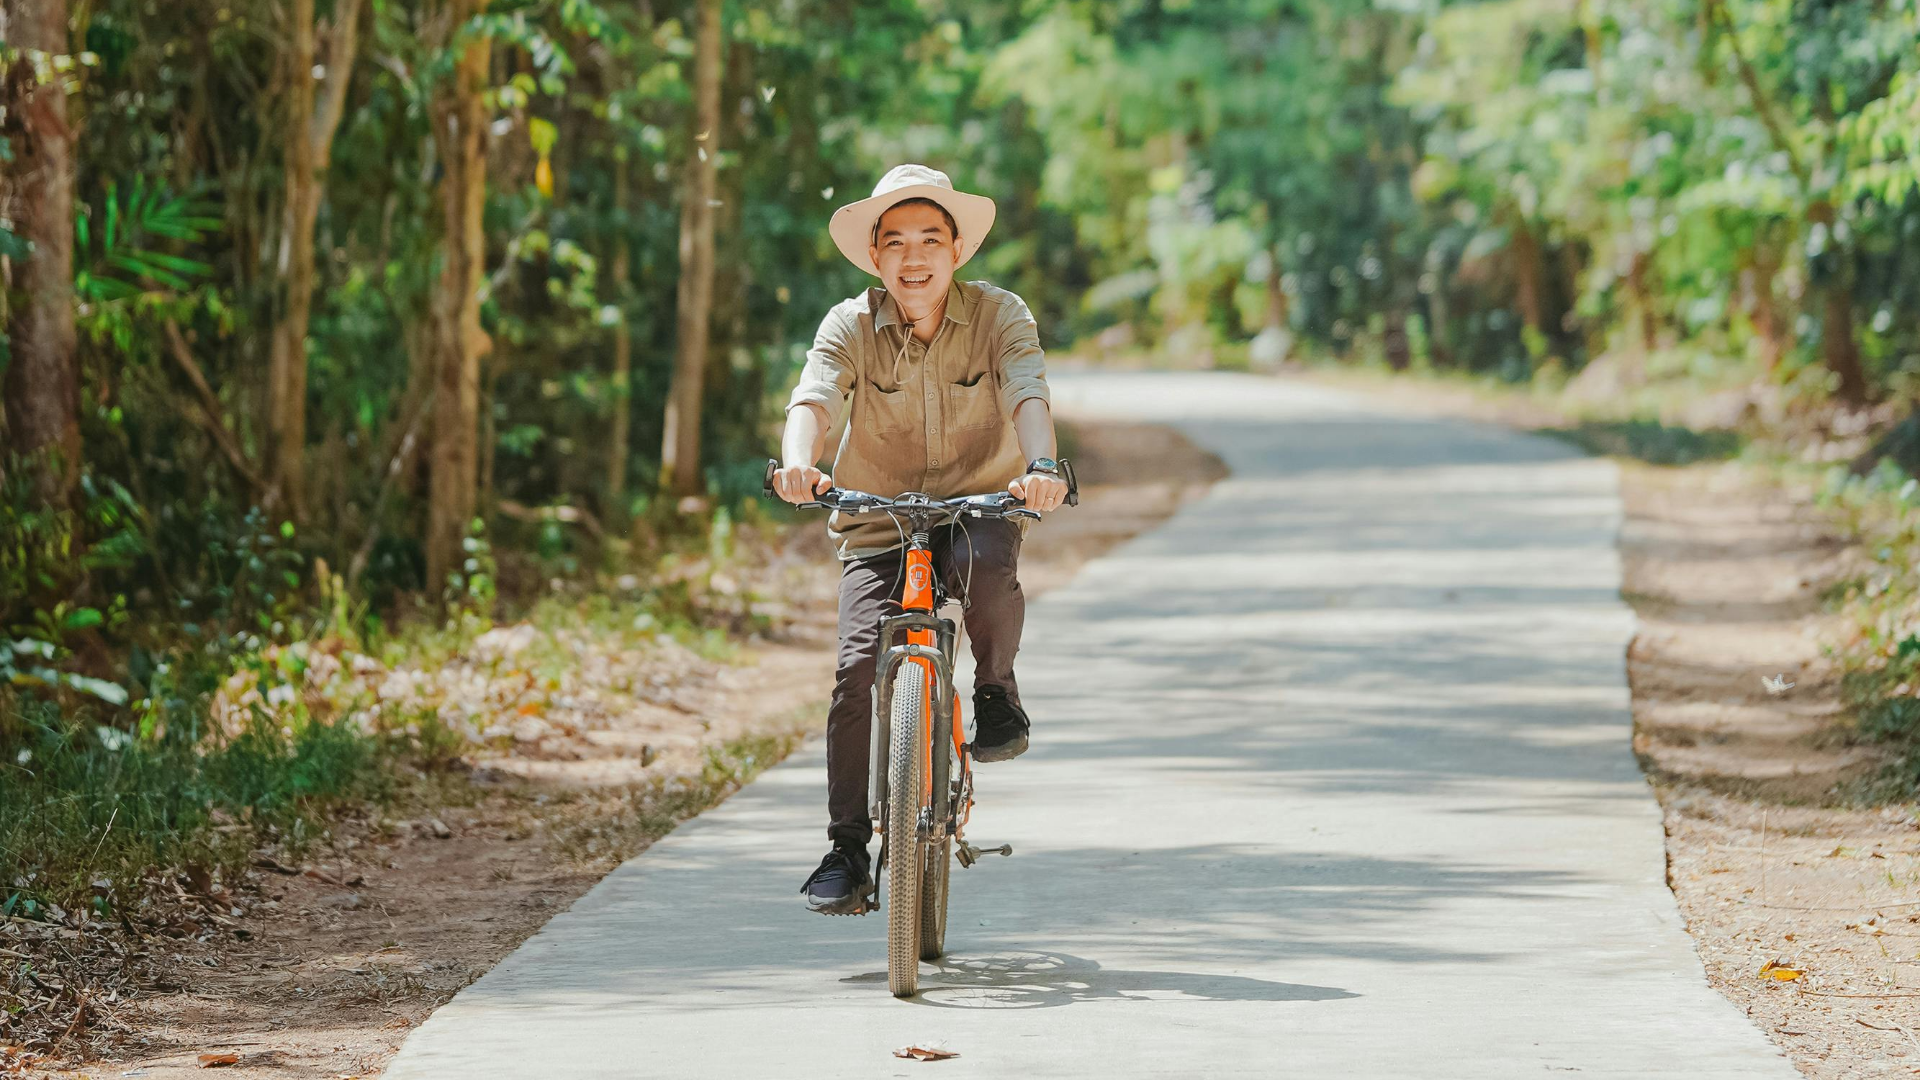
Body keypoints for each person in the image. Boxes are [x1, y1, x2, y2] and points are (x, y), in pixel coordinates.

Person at [771, 163, 1069, 915]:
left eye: (930, 239)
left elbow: (1026, 391)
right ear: (875, 256)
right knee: (852, 671)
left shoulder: (1001, 316)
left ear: (957, 250)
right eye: (895, 241)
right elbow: (814, 394)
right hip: (878, 518)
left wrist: (1040, 466)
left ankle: (995, 694)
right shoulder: (849, 324)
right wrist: (801, 462)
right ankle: (847, 849)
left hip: (980, 505)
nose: (914, 257)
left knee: (987, 565)